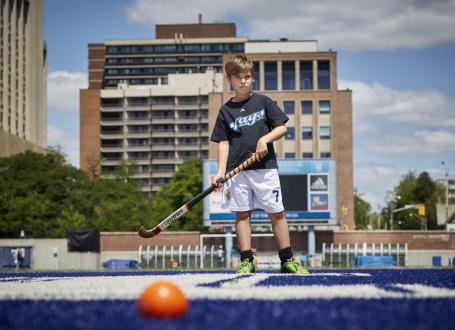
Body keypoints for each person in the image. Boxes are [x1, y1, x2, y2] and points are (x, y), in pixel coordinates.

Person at [211, 54, 309, 275]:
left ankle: (287, 260)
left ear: (252, 77)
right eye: (238, 78)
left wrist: (264, 140)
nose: (243, 81)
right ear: (230, 79)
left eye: (247, 76)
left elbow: (282, 127)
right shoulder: (225, 111)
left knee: (276, 212)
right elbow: (223, 143)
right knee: (242, 215)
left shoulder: (263, 102)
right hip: (237, 172)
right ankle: (246, 260)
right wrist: (219, 171)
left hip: (264, 170)